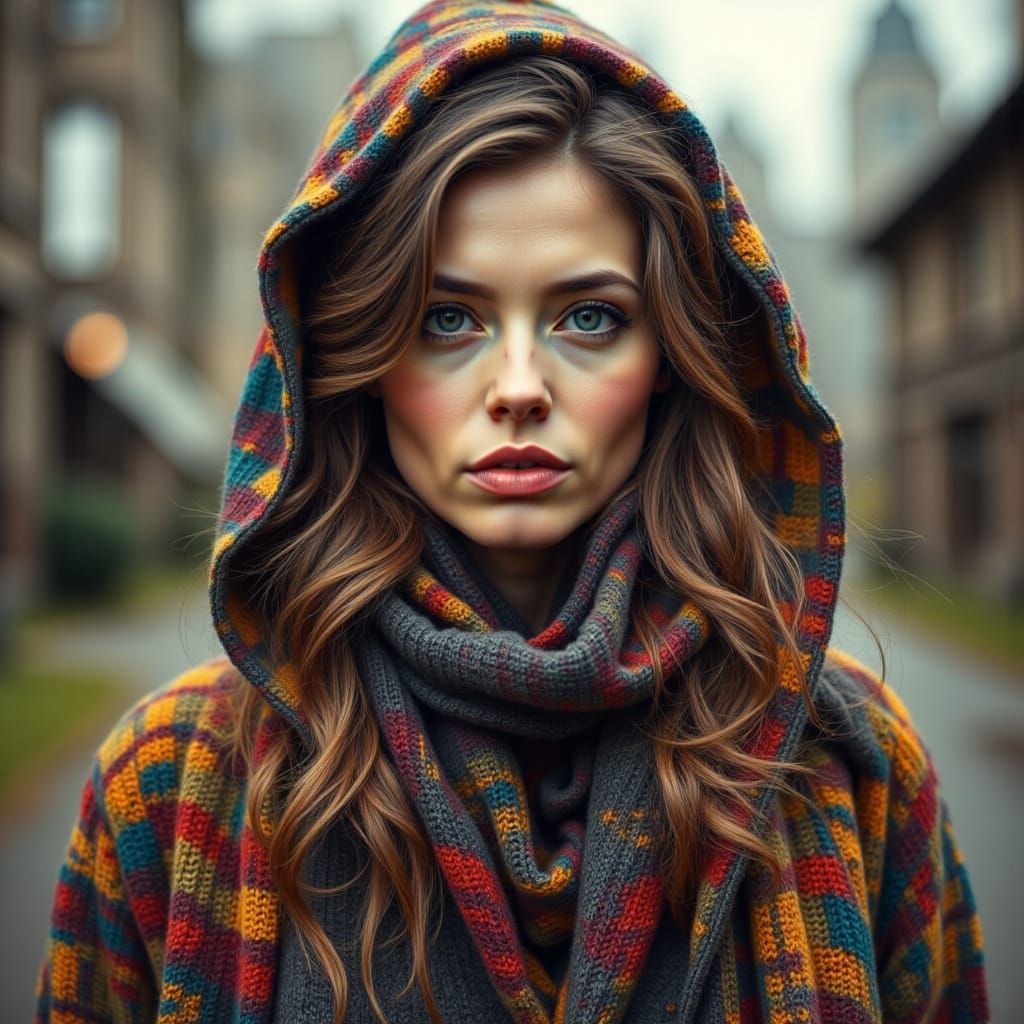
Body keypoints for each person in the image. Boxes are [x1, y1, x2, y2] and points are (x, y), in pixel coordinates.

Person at [35, 1, 989, 1022]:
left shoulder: (843, 764)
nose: (520, 384)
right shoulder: (172, 784)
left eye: (589, 316)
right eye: (449, 318)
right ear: (354, 360)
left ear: (668, 358)